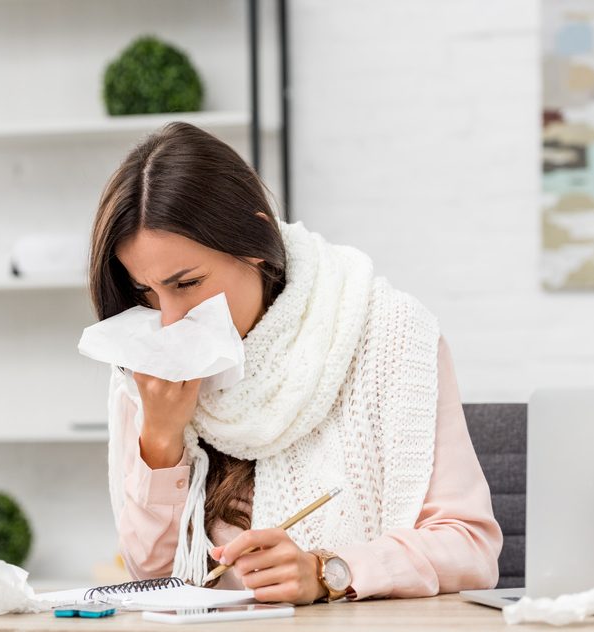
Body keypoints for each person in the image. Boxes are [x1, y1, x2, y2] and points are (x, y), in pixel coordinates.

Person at [87, 122, 502, 605]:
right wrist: (160, 442)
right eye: (146, 292)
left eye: (187, 284)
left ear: (256, 243)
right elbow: (153, 578)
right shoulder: (149, 368)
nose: (170, 319)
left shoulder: (387, 333)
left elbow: (471, 548)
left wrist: (327, 572)